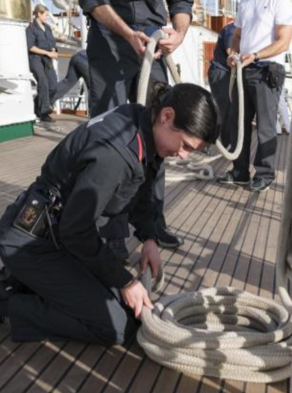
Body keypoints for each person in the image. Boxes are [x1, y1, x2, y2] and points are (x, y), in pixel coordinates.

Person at [0, 83, 220, 345]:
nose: (183, 156)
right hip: (32, 243)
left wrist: (149, 238)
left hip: (59, 238)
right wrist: (126, 281)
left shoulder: (141, 123)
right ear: (167, 116)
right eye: (185, 146)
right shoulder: (116, 155)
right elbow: (76, 232)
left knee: (125, 307)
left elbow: (142, 192)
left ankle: (20, 283)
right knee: (118, 326)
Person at [79, 0, 194, 258]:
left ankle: (151, 225)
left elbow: (182, 3)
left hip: (154, 39)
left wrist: (180, 32)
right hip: (109, 36)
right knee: (109, 141)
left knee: (161, 137)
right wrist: (128, 33)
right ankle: (111, 231)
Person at [217, 0, 292, 193]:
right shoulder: (245, 3)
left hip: (267, 69)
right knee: (238, 123)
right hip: (244, 69)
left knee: (265, 126)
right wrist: (233, 53)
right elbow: (237, 35)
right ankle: (240, 172)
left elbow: (283, 42)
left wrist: (256, 55)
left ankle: (264, 175)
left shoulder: (281, 3)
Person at [26, 5, 58, 123]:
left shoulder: (48, 28)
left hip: (47, 59)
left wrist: (53, 51)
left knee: (54, 86)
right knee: (43, 82)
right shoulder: (31, 28)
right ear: (39, 14)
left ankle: (36, 106)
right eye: (46, 15)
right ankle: (44, 113)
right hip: (35, 59)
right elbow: (31, 47)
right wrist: (47, 53)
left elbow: (52, 43)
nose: (47, 18)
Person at [207, 22, 236, 148]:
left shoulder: (234, 29)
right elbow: (231, 52)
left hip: (225, 73)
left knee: (226, 109)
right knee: (225, 110)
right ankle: (226, 144)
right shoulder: (232, 29)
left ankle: (221, 141)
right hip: (220, 73)